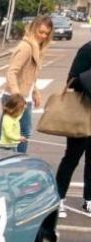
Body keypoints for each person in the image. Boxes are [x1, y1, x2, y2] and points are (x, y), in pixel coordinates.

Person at [0, 15, 53, 154]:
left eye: (46, 33)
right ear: (33, 28)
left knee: (3, 133)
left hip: (23, 97)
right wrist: (16, 94)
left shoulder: (36, 47)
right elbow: (12, 71)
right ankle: (19, 159)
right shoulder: (26, 47)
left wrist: (35, 91)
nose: (43, 36)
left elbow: (30, 75)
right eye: (41, 32)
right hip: (16, 97)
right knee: (23, 132)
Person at [55, 40, 91, 216]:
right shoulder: (88, 49)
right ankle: (59, 198)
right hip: (81, 112)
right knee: (72, 158)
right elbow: (72, 79)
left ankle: (89, 199)